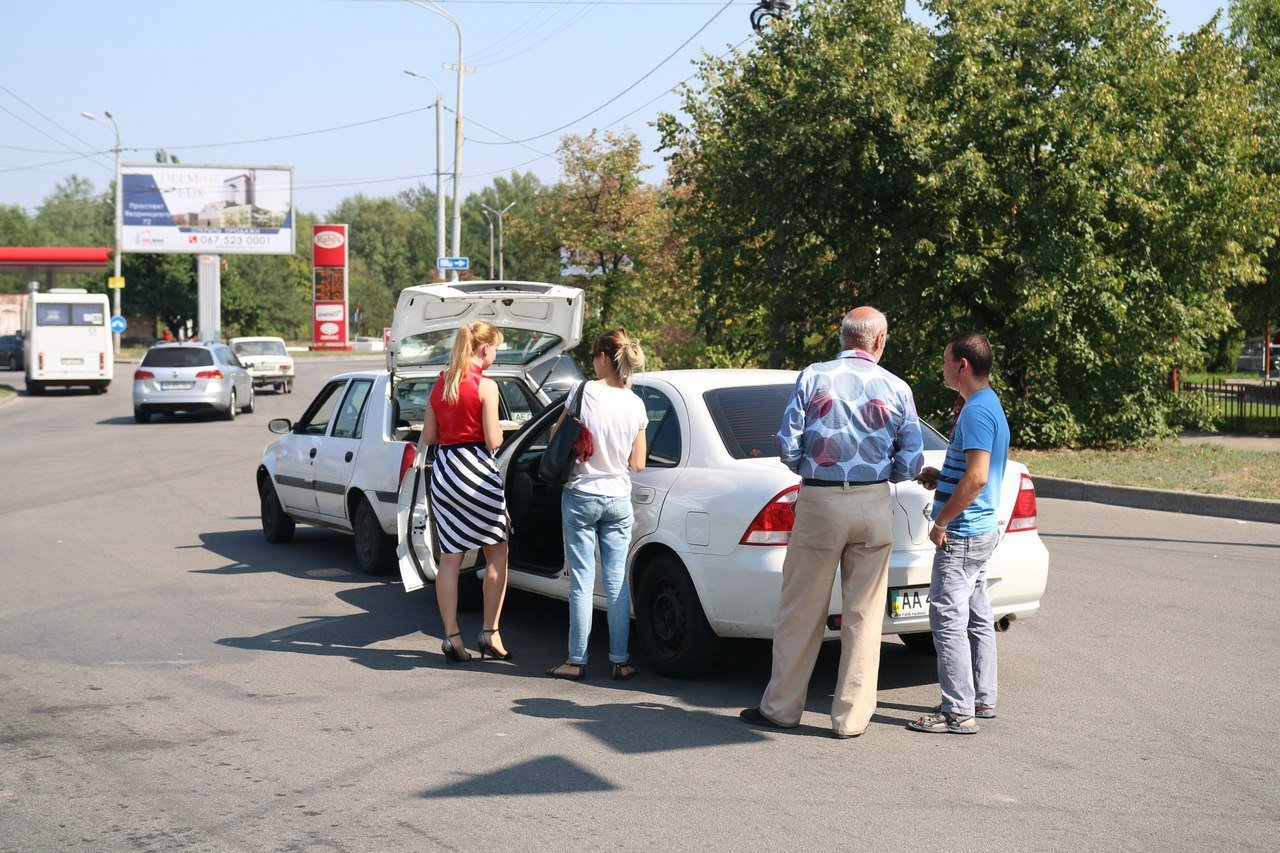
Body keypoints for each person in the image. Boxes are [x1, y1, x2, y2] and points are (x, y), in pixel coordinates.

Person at [740, 307, 924, 739]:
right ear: (878, 340)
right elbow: (912, 460)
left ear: (843, 337)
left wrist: (812, 469)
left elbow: (787, 444)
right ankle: (851, 719)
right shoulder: (897, 387)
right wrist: (882, 474)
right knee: (865, 615)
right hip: (873, 504)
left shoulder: (813, 376)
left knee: (801, 611)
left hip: (820, 502)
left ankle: (782, 709)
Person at [908, 331, 1010, 735]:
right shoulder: (987, 403)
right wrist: (943, 477)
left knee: (947, 617)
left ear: (962, 365)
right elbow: (971, 471)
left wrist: (941, 522)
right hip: (980, 531)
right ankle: (981, 699)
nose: (942, 367)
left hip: (964, 534)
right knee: (977, 616)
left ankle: (957, 712)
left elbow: (978, 477)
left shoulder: (976, 411)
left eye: (945, 360)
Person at [546, 330, 648, 681]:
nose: (592, 363)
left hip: (581, 495)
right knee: (617, 582)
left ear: (603, 358)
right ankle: (620, 660)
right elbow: (638, 463)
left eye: (593, 357)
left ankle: (576, 661)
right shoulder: (636, 403)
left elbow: (556, 436)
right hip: (618, 499)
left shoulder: (583, 390)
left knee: (582, 581)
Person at [421, 320, 512, 664]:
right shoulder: (486, 386)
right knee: (497, 552)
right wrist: (500, 429)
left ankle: (452, 636)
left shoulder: (441, 384)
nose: (496, 355)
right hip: (477, 473)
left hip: (445, 471)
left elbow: (429, 437)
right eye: (496, 349)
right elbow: (493, 440)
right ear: (484, 348)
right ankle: (490, 632)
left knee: (450, 558)